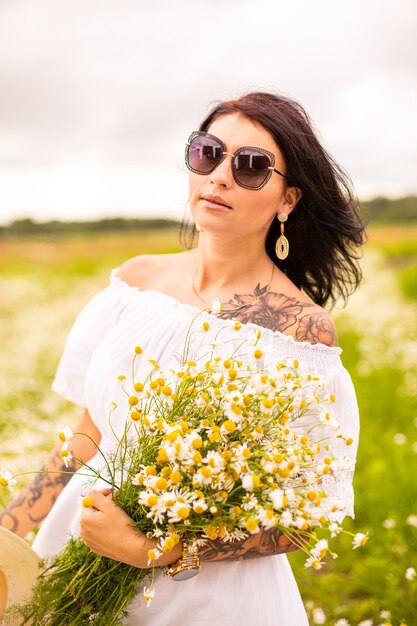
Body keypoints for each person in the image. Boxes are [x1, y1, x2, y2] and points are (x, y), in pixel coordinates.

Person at [0, 91, 365, 625]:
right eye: (208, 153)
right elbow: (88, 435)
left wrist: (165, 550)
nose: (219, 176)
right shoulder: (135, 282)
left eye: (250, 166)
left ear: (288, 199)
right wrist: (8, 534)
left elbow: (305, 517)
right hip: (78, 555)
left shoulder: (299, 332)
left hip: (208, 603)